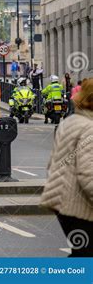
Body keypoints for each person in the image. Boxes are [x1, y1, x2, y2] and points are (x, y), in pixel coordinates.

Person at [40, 78, 93, 257]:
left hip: (60, 201)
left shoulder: (70, 122)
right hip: (77, 204)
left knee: (81, 253)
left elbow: (52, 163)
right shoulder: (89, 129)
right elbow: (88, 173)